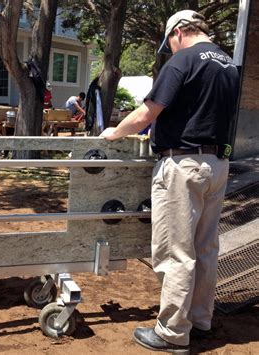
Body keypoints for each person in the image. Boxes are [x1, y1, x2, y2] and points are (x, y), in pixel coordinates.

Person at [101, 10, 239, 353]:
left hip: (183, 164)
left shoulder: (183, 62)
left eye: (170, 43)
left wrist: (115, 132)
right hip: (217, 163)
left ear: (179, 31)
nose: (170, 49)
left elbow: (148, 113)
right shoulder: (228, 65)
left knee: (176, 251)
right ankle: (200, 320)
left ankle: (172, 333)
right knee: (205, 247)